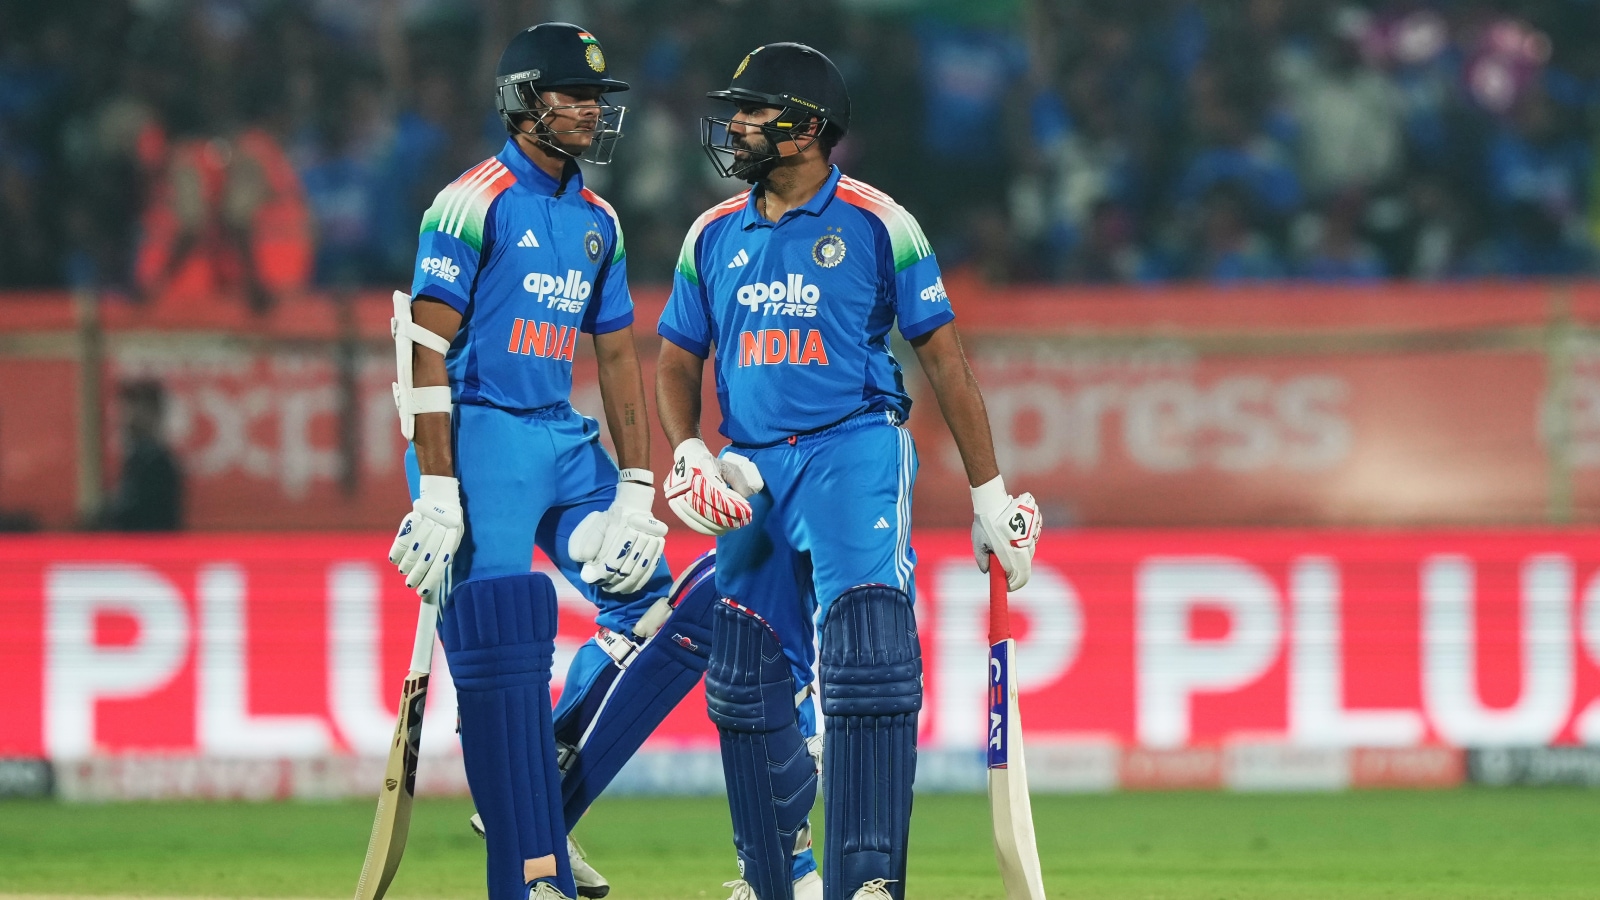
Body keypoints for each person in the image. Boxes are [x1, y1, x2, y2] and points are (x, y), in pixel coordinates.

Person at [655, 43, 1042, 900]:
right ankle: (774, 876)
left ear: (805, 128)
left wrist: (989, 497)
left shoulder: (879, 223)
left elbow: (944, 361)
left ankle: (866, 882)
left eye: (755, 111)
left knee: (868, 659)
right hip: (748, 468)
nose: (736, 125)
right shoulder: (711, 233)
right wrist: (685, 449)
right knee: (743, 679)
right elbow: (677, 356)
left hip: (853, 448)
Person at [384, 23, 721, 900]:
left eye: (597, 99)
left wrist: (638, 487)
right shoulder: (470, 203)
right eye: (574, 96)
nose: (591, 112)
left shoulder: (598, 220)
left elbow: (616, 359)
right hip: (479, 441)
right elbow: (424, 348)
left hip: (562, 442)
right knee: (500, 651)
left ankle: (542, 797)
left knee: (656, 609)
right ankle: (528, 841)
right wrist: (438, 489)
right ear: (524, 100)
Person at [97, 379, 183, 531]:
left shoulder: (156, 461)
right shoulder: (138, 457)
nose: (125, 418)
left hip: (149, 543)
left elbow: (132, 512)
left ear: (154, 413)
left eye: (133, 409)